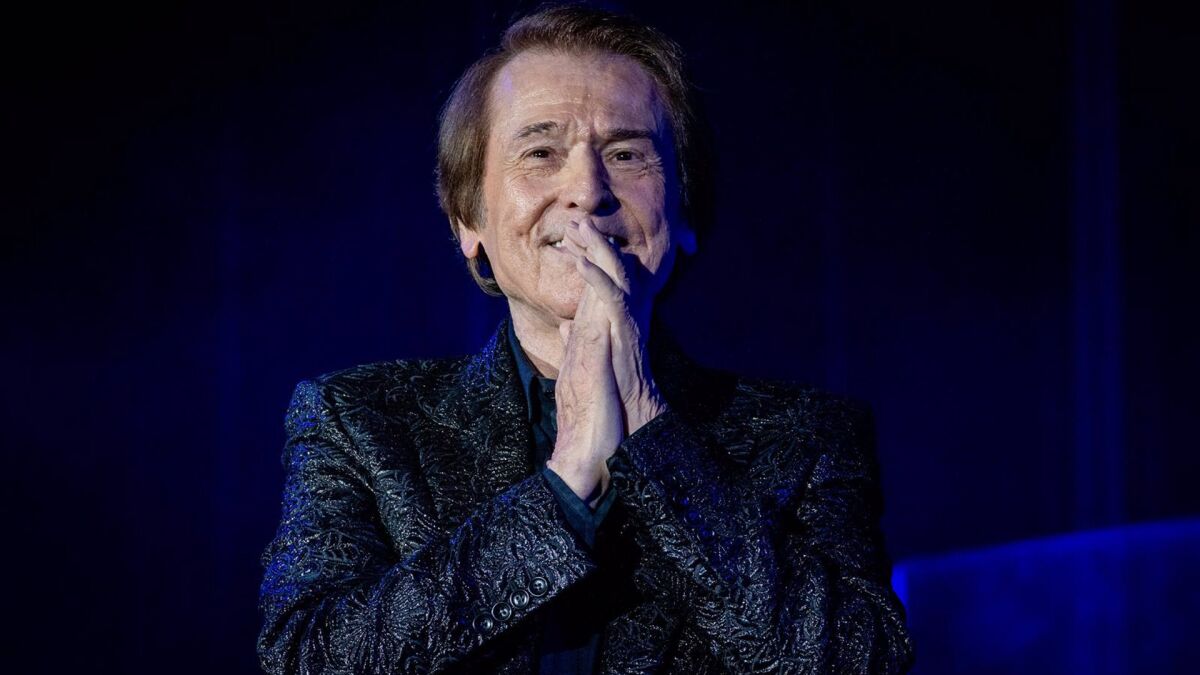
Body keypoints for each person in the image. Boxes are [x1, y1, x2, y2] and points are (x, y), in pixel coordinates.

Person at [257, 5, 914, 674]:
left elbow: (859, 662)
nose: (587, 191)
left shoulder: (808, 435)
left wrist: (651, 433)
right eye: (541, 153)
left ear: (685, 215)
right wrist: (567, 484)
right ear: (468, 221)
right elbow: (307, 658)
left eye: (626, 154)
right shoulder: (358, 419)